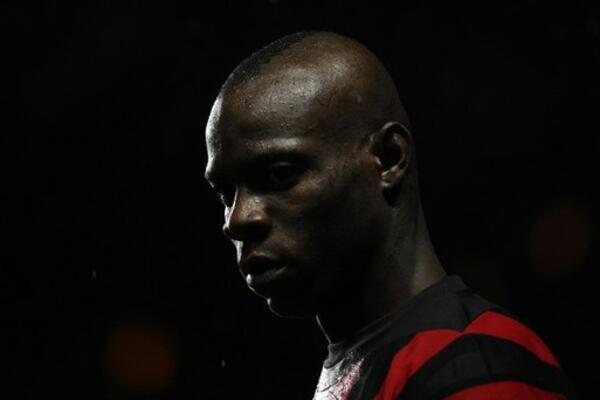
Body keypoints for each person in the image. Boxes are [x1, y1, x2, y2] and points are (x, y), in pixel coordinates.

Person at [203, 31, 575, 399]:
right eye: (225, 193)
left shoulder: (473, 368)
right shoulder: (398, 361)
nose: (237, 219)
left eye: (279, 174)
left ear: (389, 159)